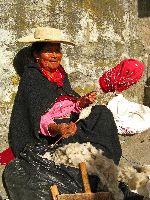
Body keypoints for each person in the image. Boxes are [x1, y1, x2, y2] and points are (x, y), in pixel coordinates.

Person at [4, 27, 145, 200]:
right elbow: (39, 119)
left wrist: (81, 103)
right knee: (82, 141)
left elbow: (68, 103)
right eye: (49, 51)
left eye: (57, 50)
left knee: (102, 113)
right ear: (37, 55)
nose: (55, 55)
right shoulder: (32, 78)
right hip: (51, 134)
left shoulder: (60, 74)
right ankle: (100, 176)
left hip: (71, 122)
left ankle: (108, 163)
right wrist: (58, 128)